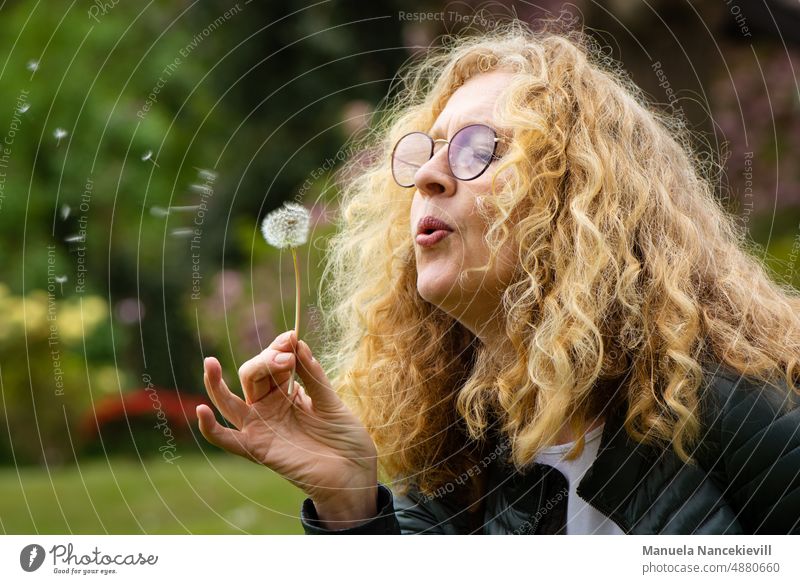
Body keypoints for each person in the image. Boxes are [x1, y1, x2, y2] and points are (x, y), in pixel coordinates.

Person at [196, 20, 800, 534]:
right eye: (427, 151)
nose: (429, 176)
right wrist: (349, 502)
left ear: (578, 195)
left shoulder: (738, 405)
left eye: (475, 148)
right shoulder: (459, 443)